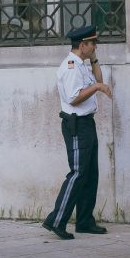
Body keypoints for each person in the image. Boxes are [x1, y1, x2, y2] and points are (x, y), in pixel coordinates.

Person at [42, 25, 112, 240]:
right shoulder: (71, 67)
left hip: (86, 123)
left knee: (90, 174)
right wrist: (97, 88)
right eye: (93, 44)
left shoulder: (82, 64)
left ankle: (84, 221)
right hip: (77, 125)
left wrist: (95, 61)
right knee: (78, 173)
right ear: (83, 45)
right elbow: (74, 97)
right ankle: (56, 220)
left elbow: (98, 79)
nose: (95, 46)